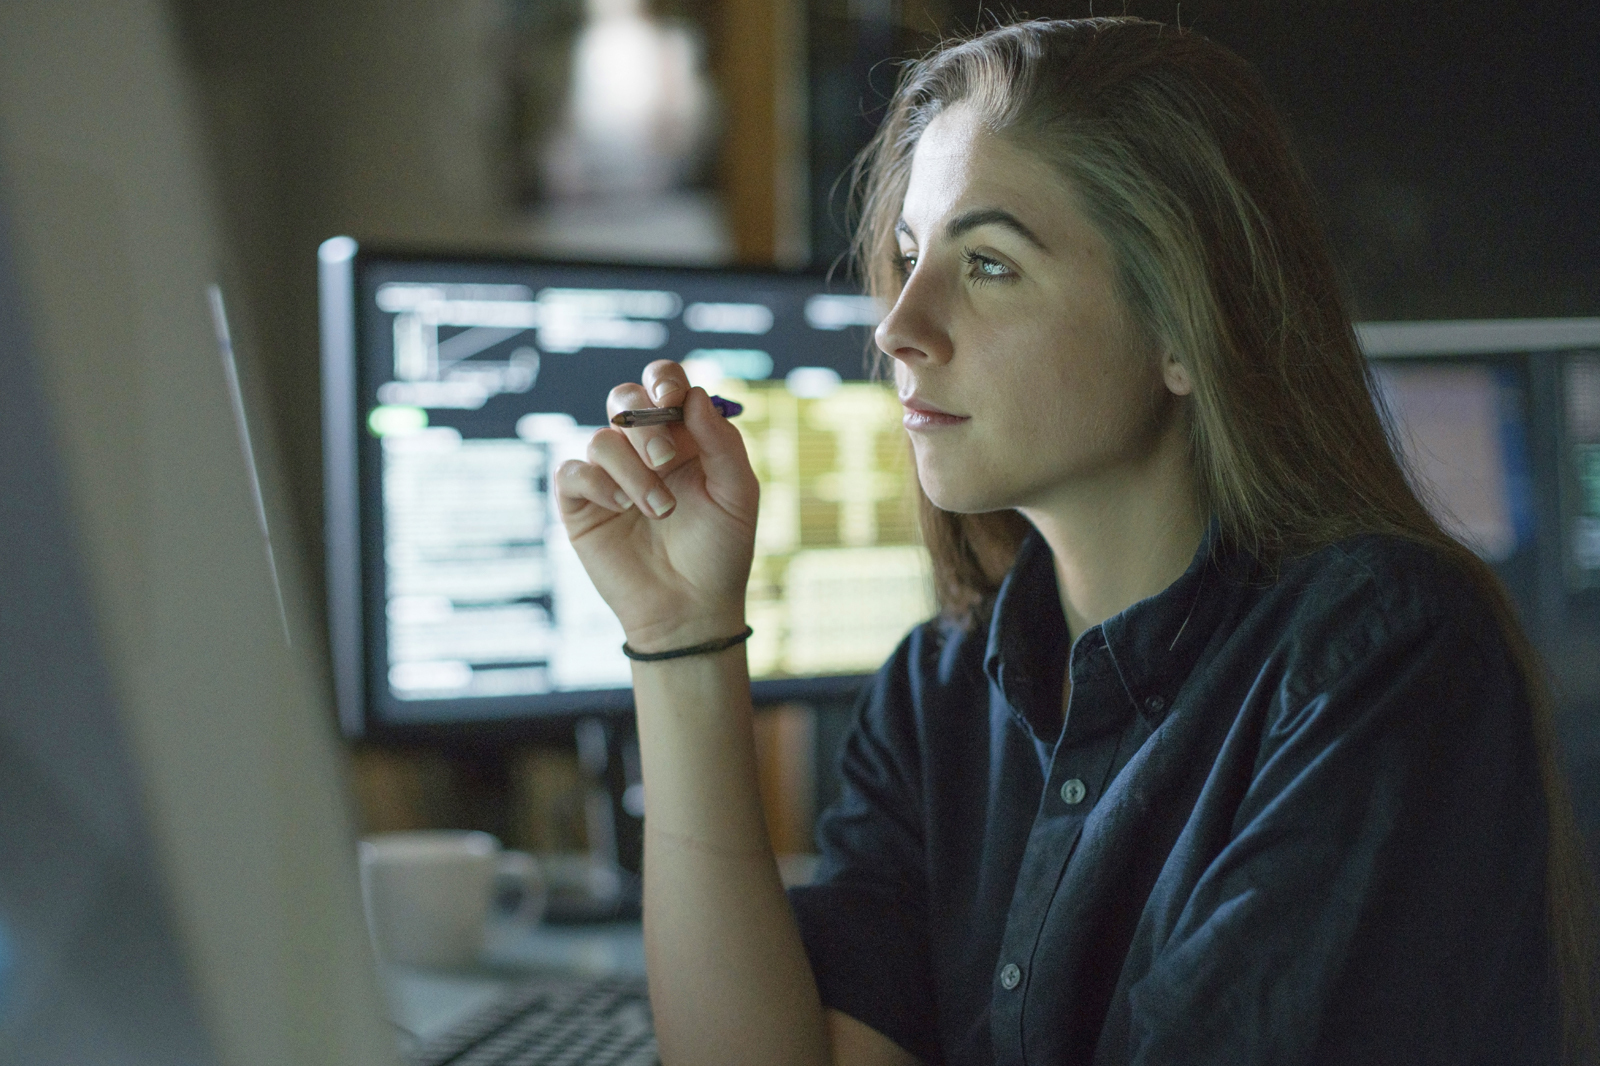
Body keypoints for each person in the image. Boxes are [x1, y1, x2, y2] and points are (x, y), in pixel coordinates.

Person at [553, 17, 1595, 1066]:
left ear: (1184, 327)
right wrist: (682, 635)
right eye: (910, 258)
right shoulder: (937, 692)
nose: (897, 326)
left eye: (989, 263)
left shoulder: (1379, 657)